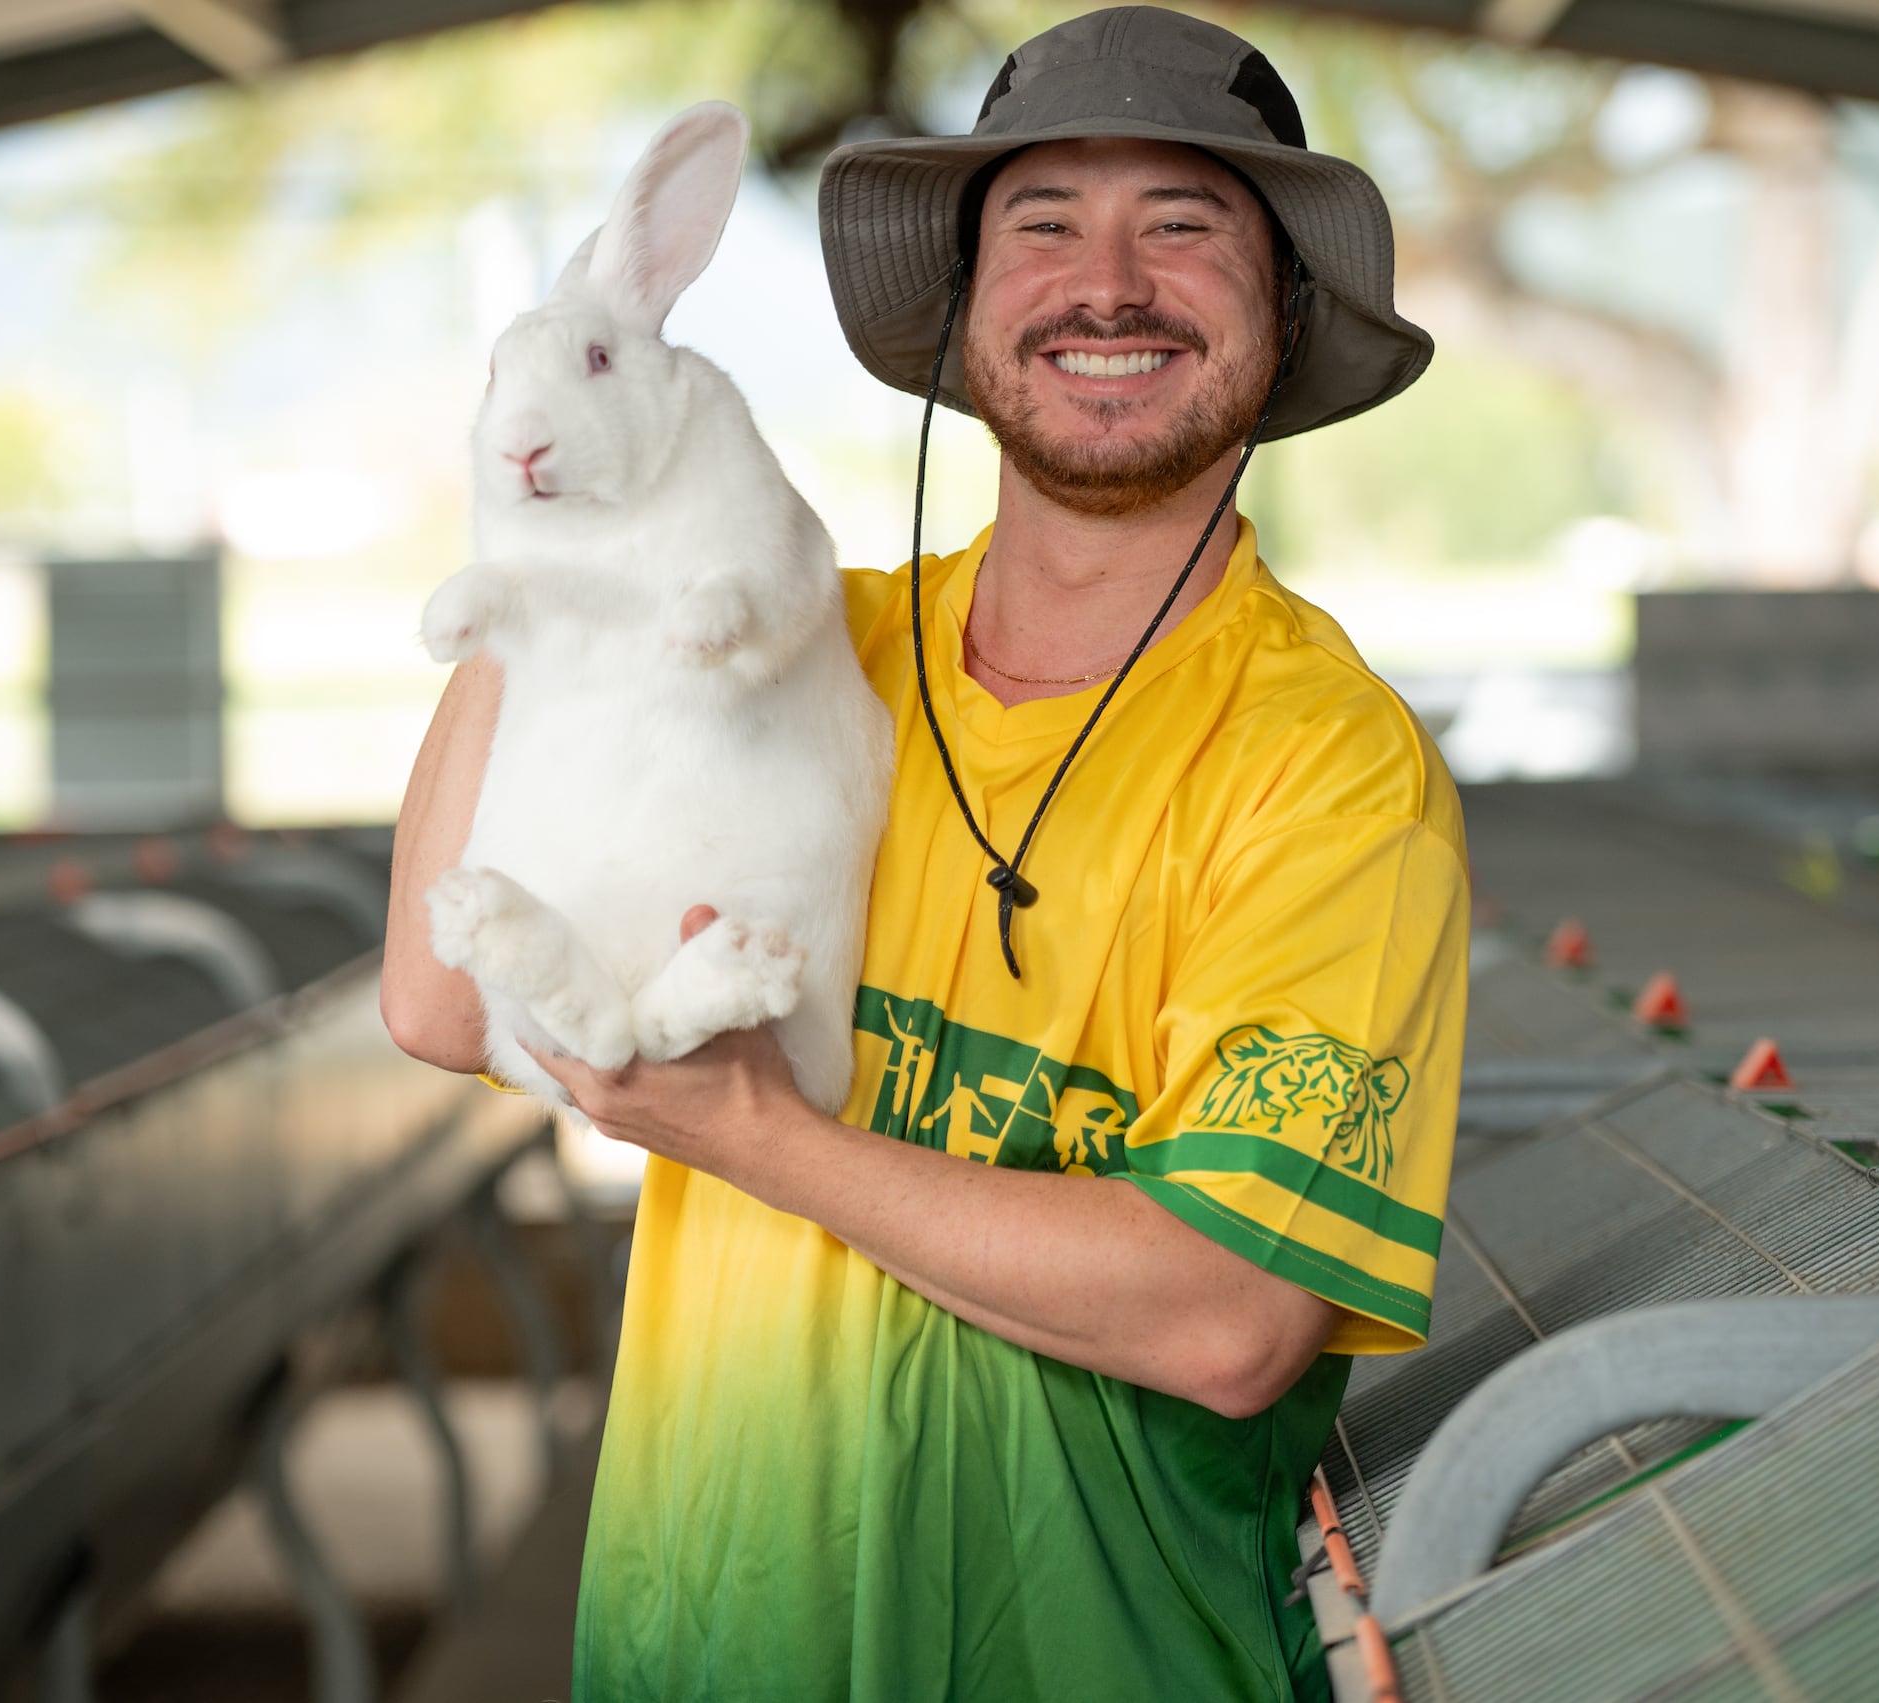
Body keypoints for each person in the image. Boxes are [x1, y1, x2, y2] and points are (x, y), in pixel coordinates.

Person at [381, 8, 1467, 1698]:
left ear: (1292, 312)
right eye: (1044, 225)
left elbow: (1229, 1314)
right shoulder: (802, 644)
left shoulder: (1325, 768)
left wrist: (761, 1137)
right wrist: (562, 525)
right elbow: (442, 1003)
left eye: (1184, 224)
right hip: (705, 1652)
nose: (1108, 284)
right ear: (964, 312)